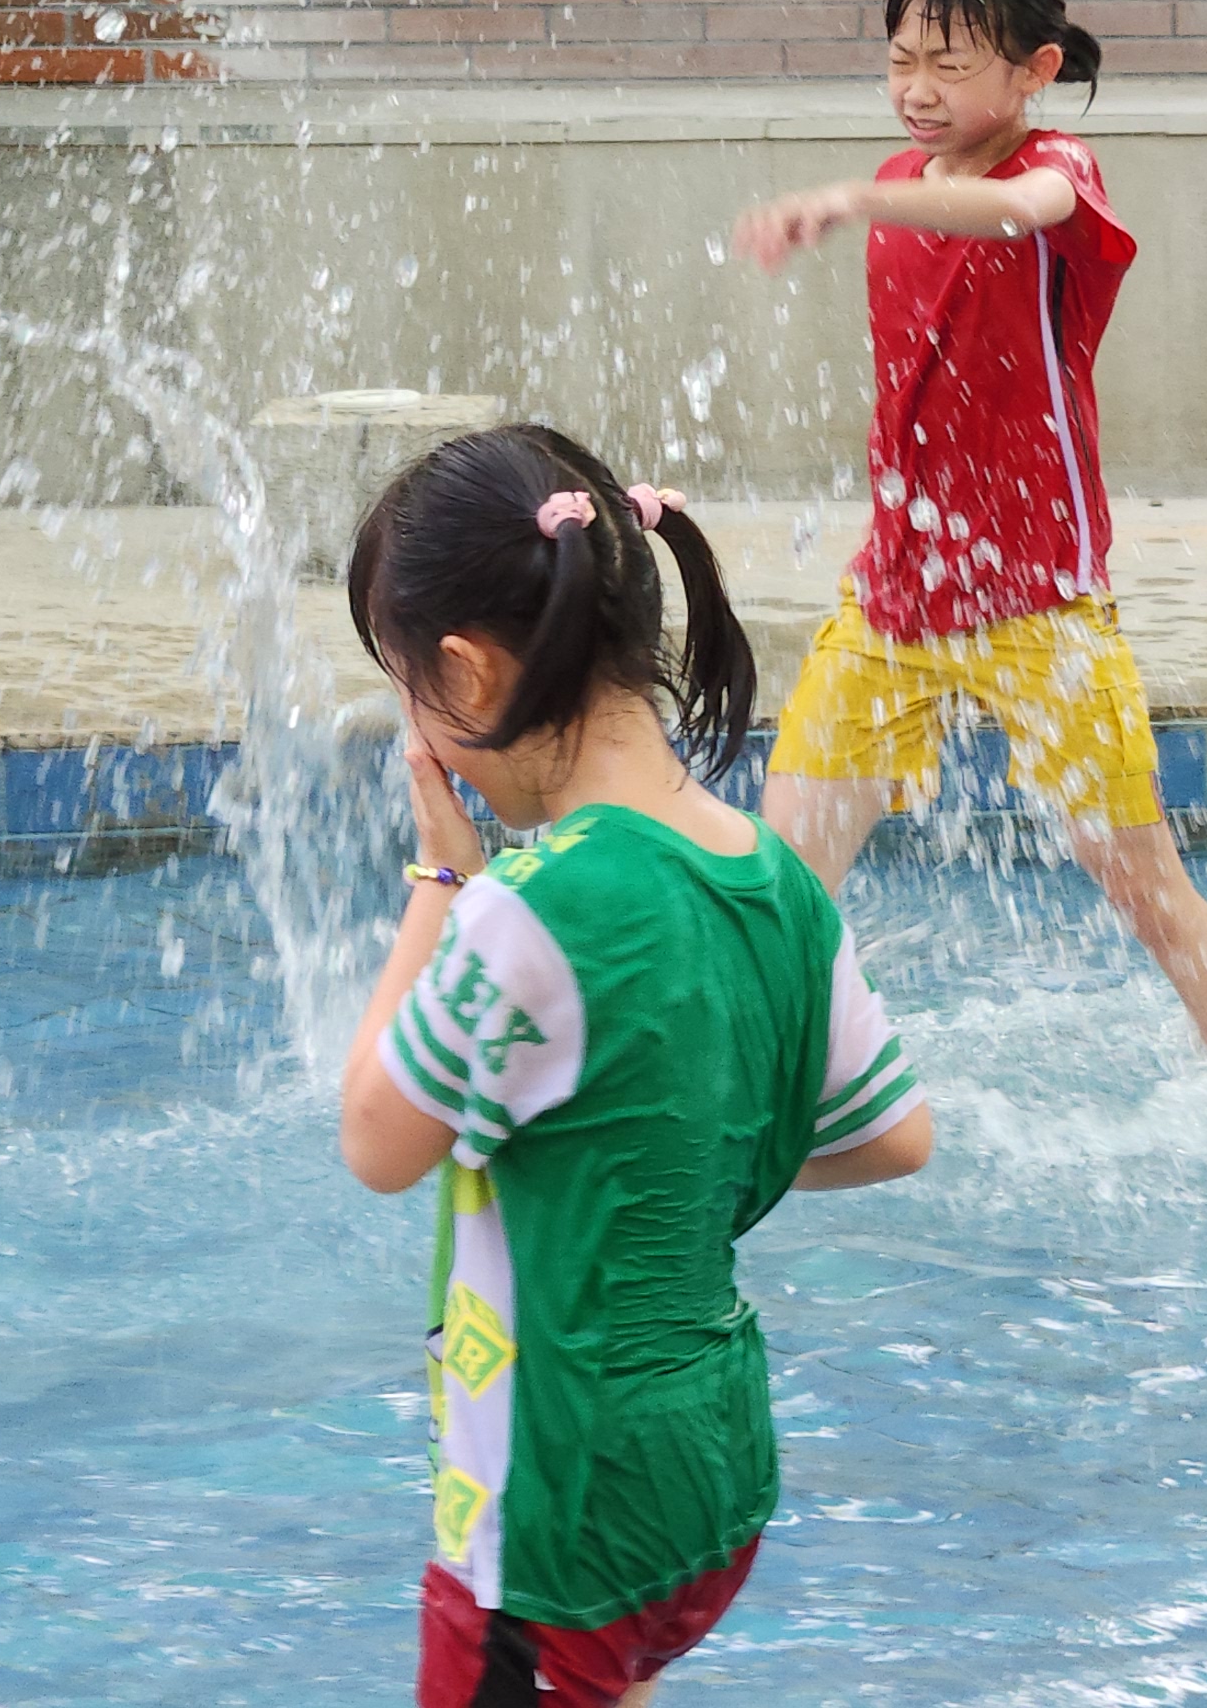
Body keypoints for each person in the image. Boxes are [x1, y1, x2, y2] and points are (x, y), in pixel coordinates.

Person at [332, 424, 935, 1707]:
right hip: (709, 1479)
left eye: (409, 689)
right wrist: (681, 1148)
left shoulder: (530, 907)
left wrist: (442, 877)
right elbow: (893, 1135)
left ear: (468, 671)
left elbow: (377, 1140)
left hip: (551, 1522)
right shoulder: (772, 876)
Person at [730, 0, 1207, 1079]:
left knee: (1144, 890)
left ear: (1035, 70)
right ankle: (754, 1106)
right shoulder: (899, 181)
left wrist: (847, 198)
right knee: (778, 886)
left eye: (950, 65)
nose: (917, 90)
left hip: (1042, 606)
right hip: (894, 600)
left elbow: (1019, 208)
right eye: (901, 61)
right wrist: (870, 194)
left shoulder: (1058, 170)